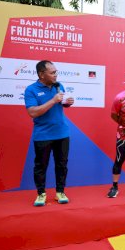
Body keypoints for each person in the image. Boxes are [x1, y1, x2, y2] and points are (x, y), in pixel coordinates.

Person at [24, 60, 75, 206]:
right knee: (41, 166)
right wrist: (53, 100)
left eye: (56, 72)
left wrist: (67, 102)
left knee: (62, 165)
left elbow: (62, 103)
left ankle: (60, 192)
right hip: (43, 134)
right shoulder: (31, 90)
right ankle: (41, 194)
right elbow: (32, 112)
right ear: (41, 74)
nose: (55, 75)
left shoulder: (59, 86)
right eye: (52, 73)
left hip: (62, 133)